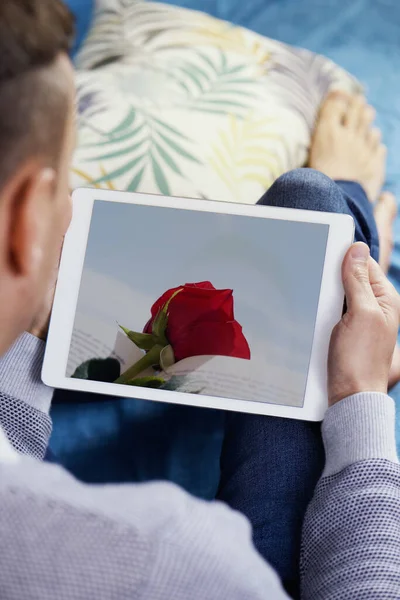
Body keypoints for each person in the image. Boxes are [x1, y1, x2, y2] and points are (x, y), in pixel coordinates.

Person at [0, 1, 399, 599]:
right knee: (312, 203)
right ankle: (354, 213)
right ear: (28, 216)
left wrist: (26, 330)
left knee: (311, 216)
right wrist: (361, 400)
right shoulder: (174, 557)